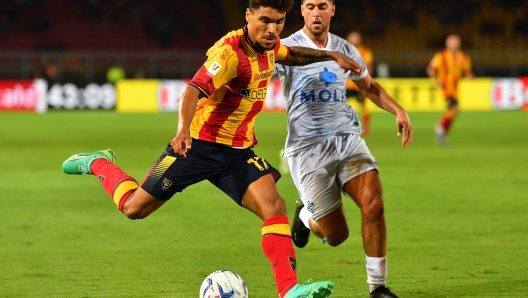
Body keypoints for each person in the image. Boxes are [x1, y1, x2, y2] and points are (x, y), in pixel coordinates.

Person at [60, 0, 363, 297]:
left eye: (279, 22)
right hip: (196, 146)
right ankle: (99, 163)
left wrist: (332, 55)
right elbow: (193, 89)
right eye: (265, 21)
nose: (272, 30)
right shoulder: (230, 53)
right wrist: (181, 132)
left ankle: (289, 289)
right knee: (133, 208)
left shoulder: (270, 46)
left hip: (237, 152)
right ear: (249, 15)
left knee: (275, 207)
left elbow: (293, 53)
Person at [274, 0, 413, 297]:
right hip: (307, 149)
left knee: (374, 202)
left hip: (347, 138)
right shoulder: (286, 48)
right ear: (301, 10)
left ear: (332, 10)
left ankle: (378, 288)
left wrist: (398, 110)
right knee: (337, 236)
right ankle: (305, 217)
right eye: (310, 6)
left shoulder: (347, 49)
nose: (316, 13)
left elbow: (369, 87)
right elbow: (255, 74)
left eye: (322, 6)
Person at [427, 34, 474, 145]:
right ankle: (440, 129)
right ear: (447, 43)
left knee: (454, 111)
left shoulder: (464, 57)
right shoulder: (441, 56)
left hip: (455, 89)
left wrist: (469, 75)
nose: (455, 44)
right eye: (452, 42)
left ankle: (442, 132)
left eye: (457, 42)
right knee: (453, 109)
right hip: (445, 89)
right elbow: (430, 69)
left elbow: (467, 70)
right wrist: (437, 80)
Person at [345, 31, 374, 136]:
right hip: (347, 85)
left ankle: (366, 128)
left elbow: (369, 67)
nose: (354, 40)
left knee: (364, 106)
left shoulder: (365, 51)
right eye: (352, 38)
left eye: (356, 38)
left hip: (359, 85)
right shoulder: (344, 51)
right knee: (341, 106)